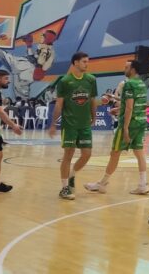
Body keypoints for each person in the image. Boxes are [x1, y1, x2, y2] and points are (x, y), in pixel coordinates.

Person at [85, 60, 149, 196]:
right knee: (139, 153)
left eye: (126, 67)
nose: (124, 68)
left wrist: (125, 128)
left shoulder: (128, 84)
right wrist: (114, 98)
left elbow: (129, 107)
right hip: (141, 122)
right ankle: (143, 184)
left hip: (130, 124)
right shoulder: (141, 84)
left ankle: (102, 184)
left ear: (132, 69)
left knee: (115, 153)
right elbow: (134, 104)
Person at [47, 51, 106, 200]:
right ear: (75, 63)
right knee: (68, 155)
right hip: (69, 125)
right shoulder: (65, 81)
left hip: (84, 124)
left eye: (87, 61)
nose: (87, 64)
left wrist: (94, 115)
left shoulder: (91, 80)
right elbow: (59, 104)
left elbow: (92, 100)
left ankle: (72, 174)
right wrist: (53, 124)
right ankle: (65, 188)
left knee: (87, 154)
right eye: (84, 61)